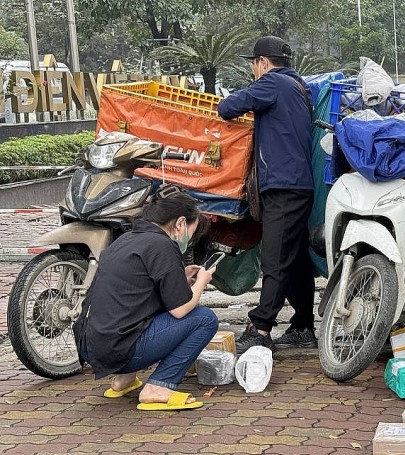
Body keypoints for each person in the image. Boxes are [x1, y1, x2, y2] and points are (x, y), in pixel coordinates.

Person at [73, 186, 217, 411]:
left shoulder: (126, 240)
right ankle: (159, 388)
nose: (190, 238)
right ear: (180, 223)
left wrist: (180, 277)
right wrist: (201, 282)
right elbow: (181, 310)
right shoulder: (163, 246)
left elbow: (140, 292)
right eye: (192, 230)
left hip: (88, 345)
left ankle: (124, 380)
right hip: (117, 349)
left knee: (147, 309)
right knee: (204, 318)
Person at [217, 36, 317, 355]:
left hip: (284, 186)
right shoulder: (299, 88)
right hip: (299, 185)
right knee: (296, 259)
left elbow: (227, 107)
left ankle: (260, 328)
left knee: (274, 259)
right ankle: (303, 326)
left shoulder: (272, 83)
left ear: (262, 63)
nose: (253, 70)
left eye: (253, 64)